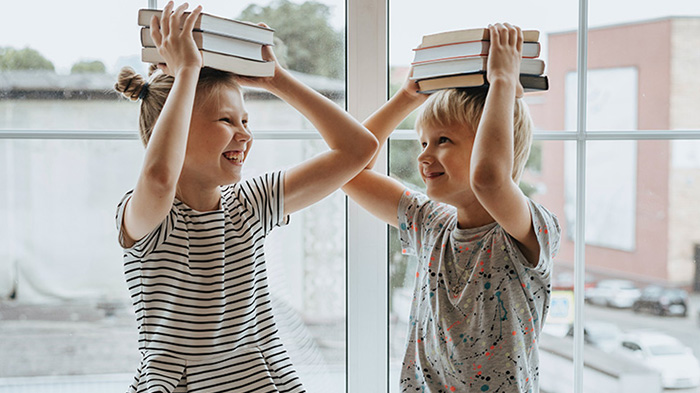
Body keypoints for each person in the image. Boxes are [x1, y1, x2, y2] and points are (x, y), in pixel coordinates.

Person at [113, 2, 377, 392]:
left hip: (264, 381)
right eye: (226, 120)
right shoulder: (150, 216)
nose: (245, 135)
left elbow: (358, 149)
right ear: (175, 130)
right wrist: (187, 70)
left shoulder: (250, 203)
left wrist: (276, 80)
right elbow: (158, 177)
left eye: (246, 121)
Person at [343, 23, 561, 392]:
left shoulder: (526, 227)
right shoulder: (430, 221)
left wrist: (504, 82)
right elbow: (347, 171)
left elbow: (489, 179)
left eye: (443, 140)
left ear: (496, 145)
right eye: (423, 142)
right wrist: (405, 99)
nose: (425, 156)